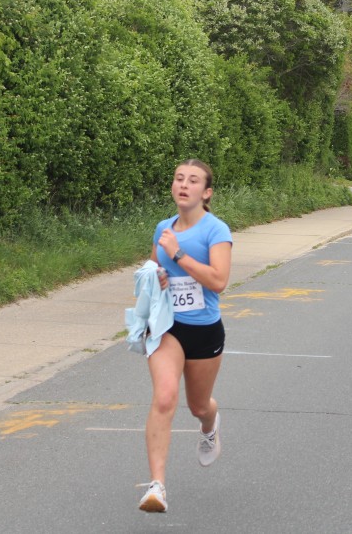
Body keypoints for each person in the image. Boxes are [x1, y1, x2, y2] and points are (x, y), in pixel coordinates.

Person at [139, 159, 233, 513]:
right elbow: (152, 270)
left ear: (206, 193)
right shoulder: (163, 228)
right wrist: (157, 276)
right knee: (164, 397)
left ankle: (209, 426)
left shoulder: (216, 230)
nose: (183, 184)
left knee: (198, 406)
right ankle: (156, 487)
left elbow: (218, 281)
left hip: (204, 329)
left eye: (193, 181)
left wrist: (178, 254)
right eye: (179, 178)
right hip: (166, 326)